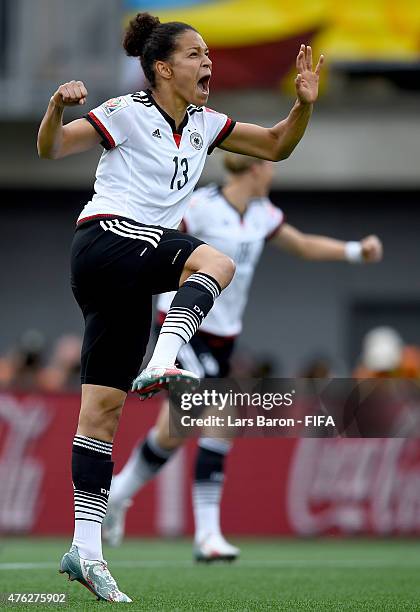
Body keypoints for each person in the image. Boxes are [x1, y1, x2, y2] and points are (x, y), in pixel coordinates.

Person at [37, 11, 324, 602]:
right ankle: (165, 359)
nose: (208, 62)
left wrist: (303, 106)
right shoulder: (125, 112)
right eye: (195, 55)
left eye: (208, 54)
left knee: (102, 413)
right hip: (106, 238)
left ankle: (86, 551)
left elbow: (276, 146)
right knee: (216, 262)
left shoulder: (203, 123)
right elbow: (52, 148)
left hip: (125, 272)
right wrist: (54, 109)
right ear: (163, 68)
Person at [102, 152, 383, 560]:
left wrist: (357, 251)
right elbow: (157, 244)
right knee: (222, 413)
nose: (273, 173)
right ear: (255, 168)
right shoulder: (199, 206)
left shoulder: (263, 214)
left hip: (223, 336)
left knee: (174, 431)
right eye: (270, 165)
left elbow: (303, 245)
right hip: (183, 324)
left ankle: (116, 498)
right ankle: (207, 536)